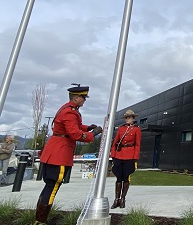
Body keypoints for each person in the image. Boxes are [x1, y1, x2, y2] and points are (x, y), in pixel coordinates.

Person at [34, 85, 102, 225]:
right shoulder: (70, 112)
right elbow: (75, 133)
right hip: (59, 154)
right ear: (76, 98)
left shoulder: (67, 109)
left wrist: (88, 127)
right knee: (52, 187)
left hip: (54, 151)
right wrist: (93, 134)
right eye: (83, 98)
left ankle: (40, 219)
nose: (84, 101)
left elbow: (74, 126)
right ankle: (40, 221)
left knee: (49, 187)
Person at [110, 109, 141, 209]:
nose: (128, 119)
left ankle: (123, 199)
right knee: (119, 177)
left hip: (129, 154)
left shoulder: (136, 129)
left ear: (133, 118)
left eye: (129, 117)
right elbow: (115, 142)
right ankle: (116, 199)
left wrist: (135, 157)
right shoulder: (121, 128)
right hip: (119, 154)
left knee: (126, 177)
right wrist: (113, 155)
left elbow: (137, 144)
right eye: (126, 117)